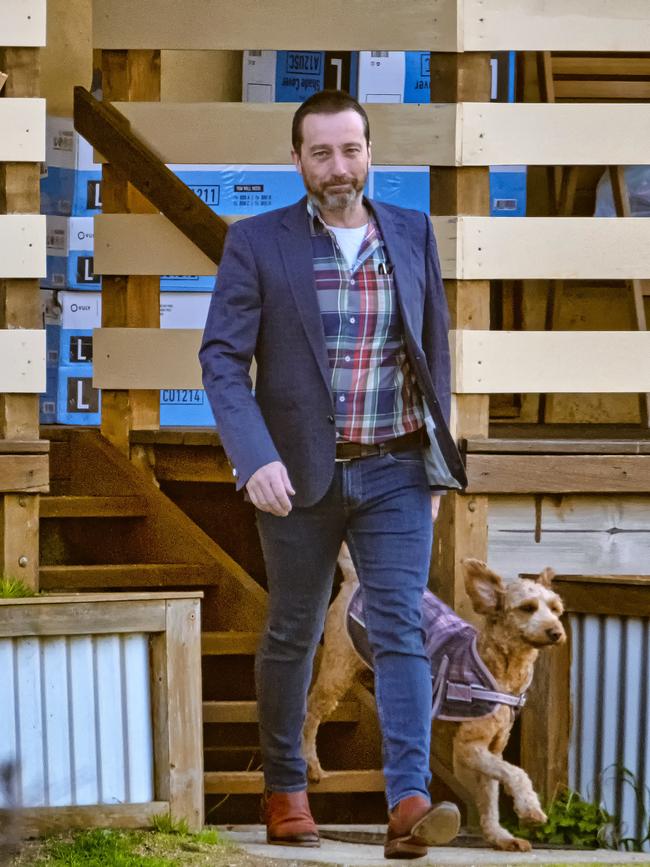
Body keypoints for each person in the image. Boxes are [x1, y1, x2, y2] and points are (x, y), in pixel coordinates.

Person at [199, 89, 467, 860]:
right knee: (292, 630)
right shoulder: (257, 241)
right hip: (297, 475)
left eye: (350, 149)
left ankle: (410, 802)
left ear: (369, 152)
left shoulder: (412, 234)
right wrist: (254, 455)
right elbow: (220, 358)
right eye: (321, 153)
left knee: (401, 630)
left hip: (395, 470)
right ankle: (285, 787)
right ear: (297, 161)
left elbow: (433, 353)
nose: (338, 166)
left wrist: (438, 467)